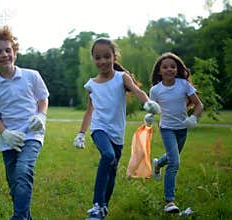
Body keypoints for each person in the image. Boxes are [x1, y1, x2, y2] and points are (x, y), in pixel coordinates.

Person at [73, 38, 161, 220]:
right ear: (93, 59)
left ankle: (103, 208)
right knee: (108, 156)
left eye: (107, 56)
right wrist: (81, 134)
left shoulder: (122, 78)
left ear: (114, 56)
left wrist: (148, 104)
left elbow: (138, 92)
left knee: (112, 172)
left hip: (117, 133)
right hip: (99, 129)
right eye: (98, 57)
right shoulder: (91, 85)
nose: (103, 61)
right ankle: (96, 205)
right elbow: (90, 111)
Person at [0, 25, 49, 220]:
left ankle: (18, 218)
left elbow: (43, 98)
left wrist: (41, 116)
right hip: (9, 140)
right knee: (14, 185)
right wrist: (5, 134)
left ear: (14, 52)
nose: (4, 55)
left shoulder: (31, 76)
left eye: (8, 50)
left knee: (23, 171)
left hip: (32, 134)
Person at [146, 52, 203, 213]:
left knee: (173, 156)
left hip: (182, 128)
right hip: (167, 129)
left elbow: (199, 105)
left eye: (173, 66)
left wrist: (194, 118)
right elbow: (152, 108)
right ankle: (169, 201)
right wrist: (149, 117)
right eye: (165, 67)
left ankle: (157, 163)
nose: (169, 69)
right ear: (159, 71)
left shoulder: (184, 85)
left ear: (177, 69)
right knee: (175, 162)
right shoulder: (155, 90)